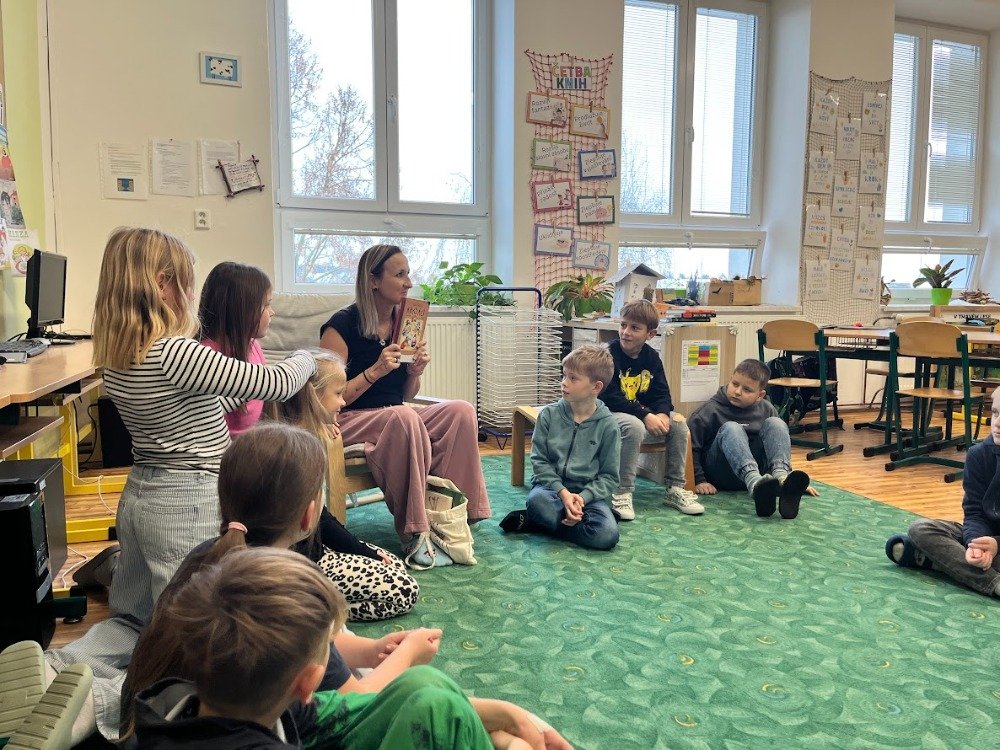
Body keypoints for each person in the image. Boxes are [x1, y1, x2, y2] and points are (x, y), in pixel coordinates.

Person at [124, 427, 570, 749]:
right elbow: (354, 700)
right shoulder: (281, 597)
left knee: (436, 696)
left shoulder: (213, 568)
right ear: (309, 514)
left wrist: (374, 651)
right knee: (438, 702)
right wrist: (406, 655)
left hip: (198, 715)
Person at [45, 227, 317, 743]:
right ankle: (94, 709)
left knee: (133, 620)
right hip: (186, 500)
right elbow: (275, 383)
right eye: (187, 282)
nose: (192, 294)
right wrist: (308, 356)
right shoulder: (173, 352)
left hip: (141, 495)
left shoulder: (119, 352)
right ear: (162, 283)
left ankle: (51, 671)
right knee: (181, 639)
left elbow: (201, 404)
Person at [130, 548, 566, 750]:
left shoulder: (209, 703)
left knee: (424, 687)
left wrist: (509, 715)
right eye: (329, 648)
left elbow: (376, 705)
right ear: (308, 682)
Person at [320, 244, 491, 567]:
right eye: (400, 275)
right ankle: (415, 531)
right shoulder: (339, 327)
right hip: (348, 419)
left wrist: (415, 372)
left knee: (461, 411)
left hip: (395, 416)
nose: (409, 283)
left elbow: (406, 395)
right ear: (373, 281)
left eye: (408, 274)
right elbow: (326, 397)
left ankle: (458, 515)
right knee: (402, 417)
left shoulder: (406, 322)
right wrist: (374, 372)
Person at [266, 350, 420, 621]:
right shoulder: (295, 453)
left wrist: (365, 551)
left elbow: (321, 519)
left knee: (393, 564)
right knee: (404, 590)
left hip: (313, 548)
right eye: (338, 394)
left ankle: (312, 600)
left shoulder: (301, 439)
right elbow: (320, 521)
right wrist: (361, 551)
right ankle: (307, 609)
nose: (343, 401)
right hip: (299, 563)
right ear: (313, 398)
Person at [500, 344, 621, 551]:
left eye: (573, 378)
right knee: (538, 502)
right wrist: (563, 494)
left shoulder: (608, 425)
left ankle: (535, 522)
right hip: (550, 491)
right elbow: (539, 461)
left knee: (608, 536)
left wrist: (582, 498)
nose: (564, 382)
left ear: (596, 387)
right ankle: (571, 521)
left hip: (588, 497)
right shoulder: (549, 415)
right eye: (564, 375)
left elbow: (609, 477)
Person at [885, 387, 1000, 598]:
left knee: (909, 545)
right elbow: (974, 513)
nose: (997, 423)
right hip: (985, 537)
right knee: (921, 529)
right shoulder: (978, 455)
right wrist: (976, 543)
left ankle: (934, 562)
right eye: (995, 413)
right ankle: (993, 581)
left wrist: (997, 545)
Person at [599, 300, 703, 520]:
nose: (626, 332)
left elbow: (662, 393)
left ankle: (675, 488)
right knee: (635, 426)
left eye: (634, 328)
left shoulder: (652, 357)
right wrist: (645, 415)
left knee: (678, 423)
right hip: (609, 413)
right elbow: (610, 397)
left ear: (651, 334)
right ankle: (623, 491)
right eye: (623, 325)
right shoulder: (608, 354)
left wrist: (663, 414)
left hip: (640, 413)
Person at [688, 359, 818, 519]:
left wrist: (793, 481)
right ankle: (755, 483)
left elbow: (777, 444)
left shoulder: (767, 409)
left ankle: (782, 479)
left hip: (763, 476)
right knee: (732, 427)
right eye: (735, 384)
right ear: (730, 379)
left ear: (760, 395)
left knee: (776, 423)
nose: (737, 392)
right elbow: (691, 449)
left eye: (747, 390)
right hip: (722, 474)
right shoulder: (708, 411)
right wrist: (699, 480)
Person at [199, 260, 275, 437]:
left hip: (255, 439)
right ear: (241, 310)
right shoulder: (207, 356)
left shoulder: (253, 346)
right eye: (266, 305)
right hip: (227, 448)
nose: (272, 312)